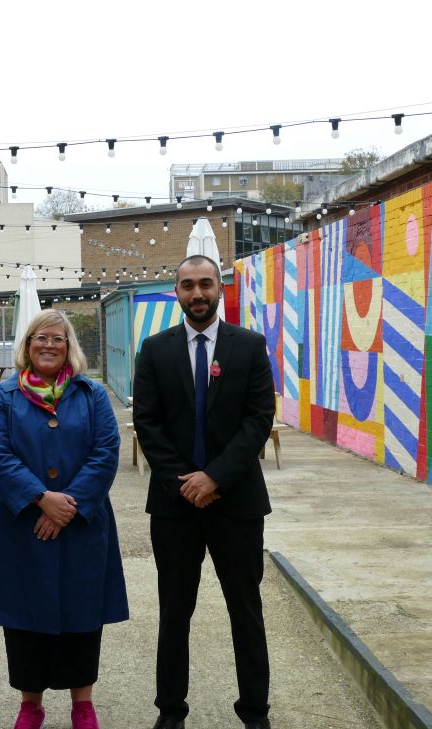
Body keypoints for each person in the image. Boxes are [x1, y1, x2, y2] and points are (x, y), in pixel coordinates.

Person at [133, 255, 276, 729]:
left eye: (206, 285)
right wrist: (186, 482)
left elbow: (258, 420)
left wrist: (214, 477)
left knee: (246, 609)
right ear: (176, 291)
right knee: (175, 612)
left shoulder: (250, 346)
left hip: (236, 503)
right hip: (175, 506)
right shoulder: (154, 350)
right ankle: (171, 711)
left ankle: (255, 712)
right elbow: (148, 424)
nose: (197, 293)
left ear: (220, 289)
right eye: (188, 285)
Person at [0, 309, 129, 729]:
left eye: (58, 339)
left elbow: (106, 452)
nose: (49, 345)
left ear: (69, 347)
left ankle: (83, 704)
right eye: (41, 338)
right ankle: (30, 704)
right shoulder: (5, 397)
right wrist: (41, 499)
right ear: (27, 345)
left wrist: (67, 505)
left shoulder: (91, 395)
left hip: (80, 525)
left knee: (83, 616)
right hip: (21, 525)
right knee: (24, 618)